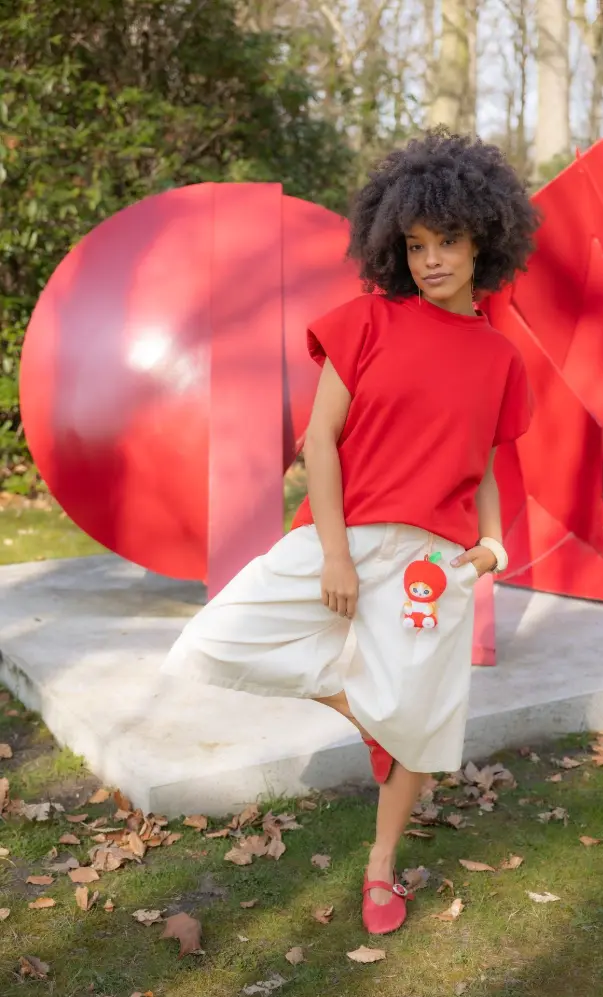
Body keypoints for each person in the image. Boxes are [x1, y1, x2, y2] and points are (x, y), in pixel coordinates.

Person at [162, 130, 539, 935]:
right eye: (416, 244)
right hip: (345, 533)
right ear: (394, 245)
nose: (430, 259)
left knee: (422, 730)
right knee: (214, 640)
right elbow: (319, 442)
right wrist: (335, 553)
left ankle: (380, 868)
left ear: (485, 239)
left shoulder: (500, 358)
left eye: (447, 241)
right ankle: (375, 716)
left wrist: (493, 546)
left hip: (433, 562)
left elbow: (486, 464)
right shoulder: (366, 321)